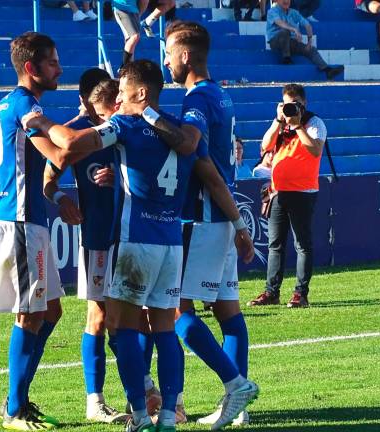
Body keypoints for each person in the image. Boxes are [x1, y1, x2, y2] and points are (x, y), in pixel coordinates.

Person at [22, 58, 195, 432]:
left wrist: (39, 123)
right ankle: (167, 414)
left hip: (134, 242)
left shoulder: (124, 125)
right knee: (163, 327)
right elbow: (190, 148)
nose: (118, 98)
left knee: (121, 327)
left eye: (123, 91)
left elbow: (68, 143)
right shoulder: (179, 130)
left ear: (140, 93)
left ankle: (138, 412)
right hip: (169, 242)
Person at [162, 20, 259, 429]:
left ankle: (236, 384)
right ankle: (238, 406)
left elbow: (191, 149)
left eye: (168, 53)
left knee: (175, 310)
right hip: (223, 217)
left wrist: (146, 114)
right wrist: (237, 222)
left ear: (185, 55)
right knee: (227, 310)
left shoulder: (197, 99)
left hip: (202, 217)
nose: (165, 62)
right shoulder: (222, 95)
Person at [0, 32, 75, 431]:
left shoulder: (14, 102)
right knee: (30, 315)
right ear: (31, 67)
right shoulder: (25, 106)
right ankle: (13, 408)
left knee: (50, 310)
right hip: (18, 220)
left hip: (29, 218)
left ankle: (18, 398)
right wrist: (101, 130)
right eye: (53, 62)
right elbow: (58, 153)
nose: (59, 69)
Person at [41, 69, 129, 424]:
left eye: (114, 104)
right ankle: (95, 400)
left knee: (137, 318)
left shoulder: (126, 126)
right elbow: (48, 179)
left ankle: (146, 391)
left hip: (133, 234)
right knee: (100, 315)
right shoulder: (76, 134)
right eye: (106, 107)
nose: (112, 112)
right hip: (97, 237)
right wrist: (62, 197)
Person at [248, 84, 326, 308]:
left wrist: (298, 125)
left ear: (304, 104)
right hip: (278, 192)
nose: (290, 109)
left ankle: (301, 293)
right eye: (286, 105)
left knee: (302, 244)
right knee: (275, 245)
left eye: (294, 105)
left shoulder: (314, 123)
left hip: (303, 192)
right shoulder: (281, 125)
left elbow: (315, 150)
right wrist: (278, 121)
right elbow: (264, 146)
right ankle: (272, 292)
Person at [266, 0, 344, 80]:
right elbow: (279, 22)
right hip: (276, 42)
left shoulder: (293, 12)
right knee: (284, 32)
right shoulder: (272, 11)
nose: (286, 1)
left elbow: (307, 25)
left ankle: (328, 70)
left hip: (291, 42)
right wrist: (294, 29)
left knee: (311, 49)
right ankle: (286, 58)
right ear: (277, 1)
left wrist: (309, 41)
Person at [112, 0, 175, 66]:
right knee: (134, 37)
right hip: (122, 8)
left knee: (170, 2)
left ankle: (147, 22)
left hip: (134, 10)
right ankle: (124, 67)